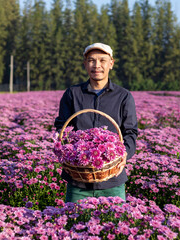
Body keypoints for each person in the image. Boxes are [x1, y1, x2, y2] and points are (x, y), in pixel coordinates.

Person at [54, 42, 138, 203]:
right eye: (91, 60)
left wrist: (124, 155)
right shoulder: (72, 94)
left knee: (115, 227)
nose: (96, 65)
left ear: (111, 63)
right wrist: (66, 150)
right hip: (78, 181)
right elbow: (62, 128)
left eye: (102, 60)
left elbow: (130, 132)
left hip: (113, 181)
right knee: (74, 225)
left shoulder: (123, 96)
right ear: (85, 64)